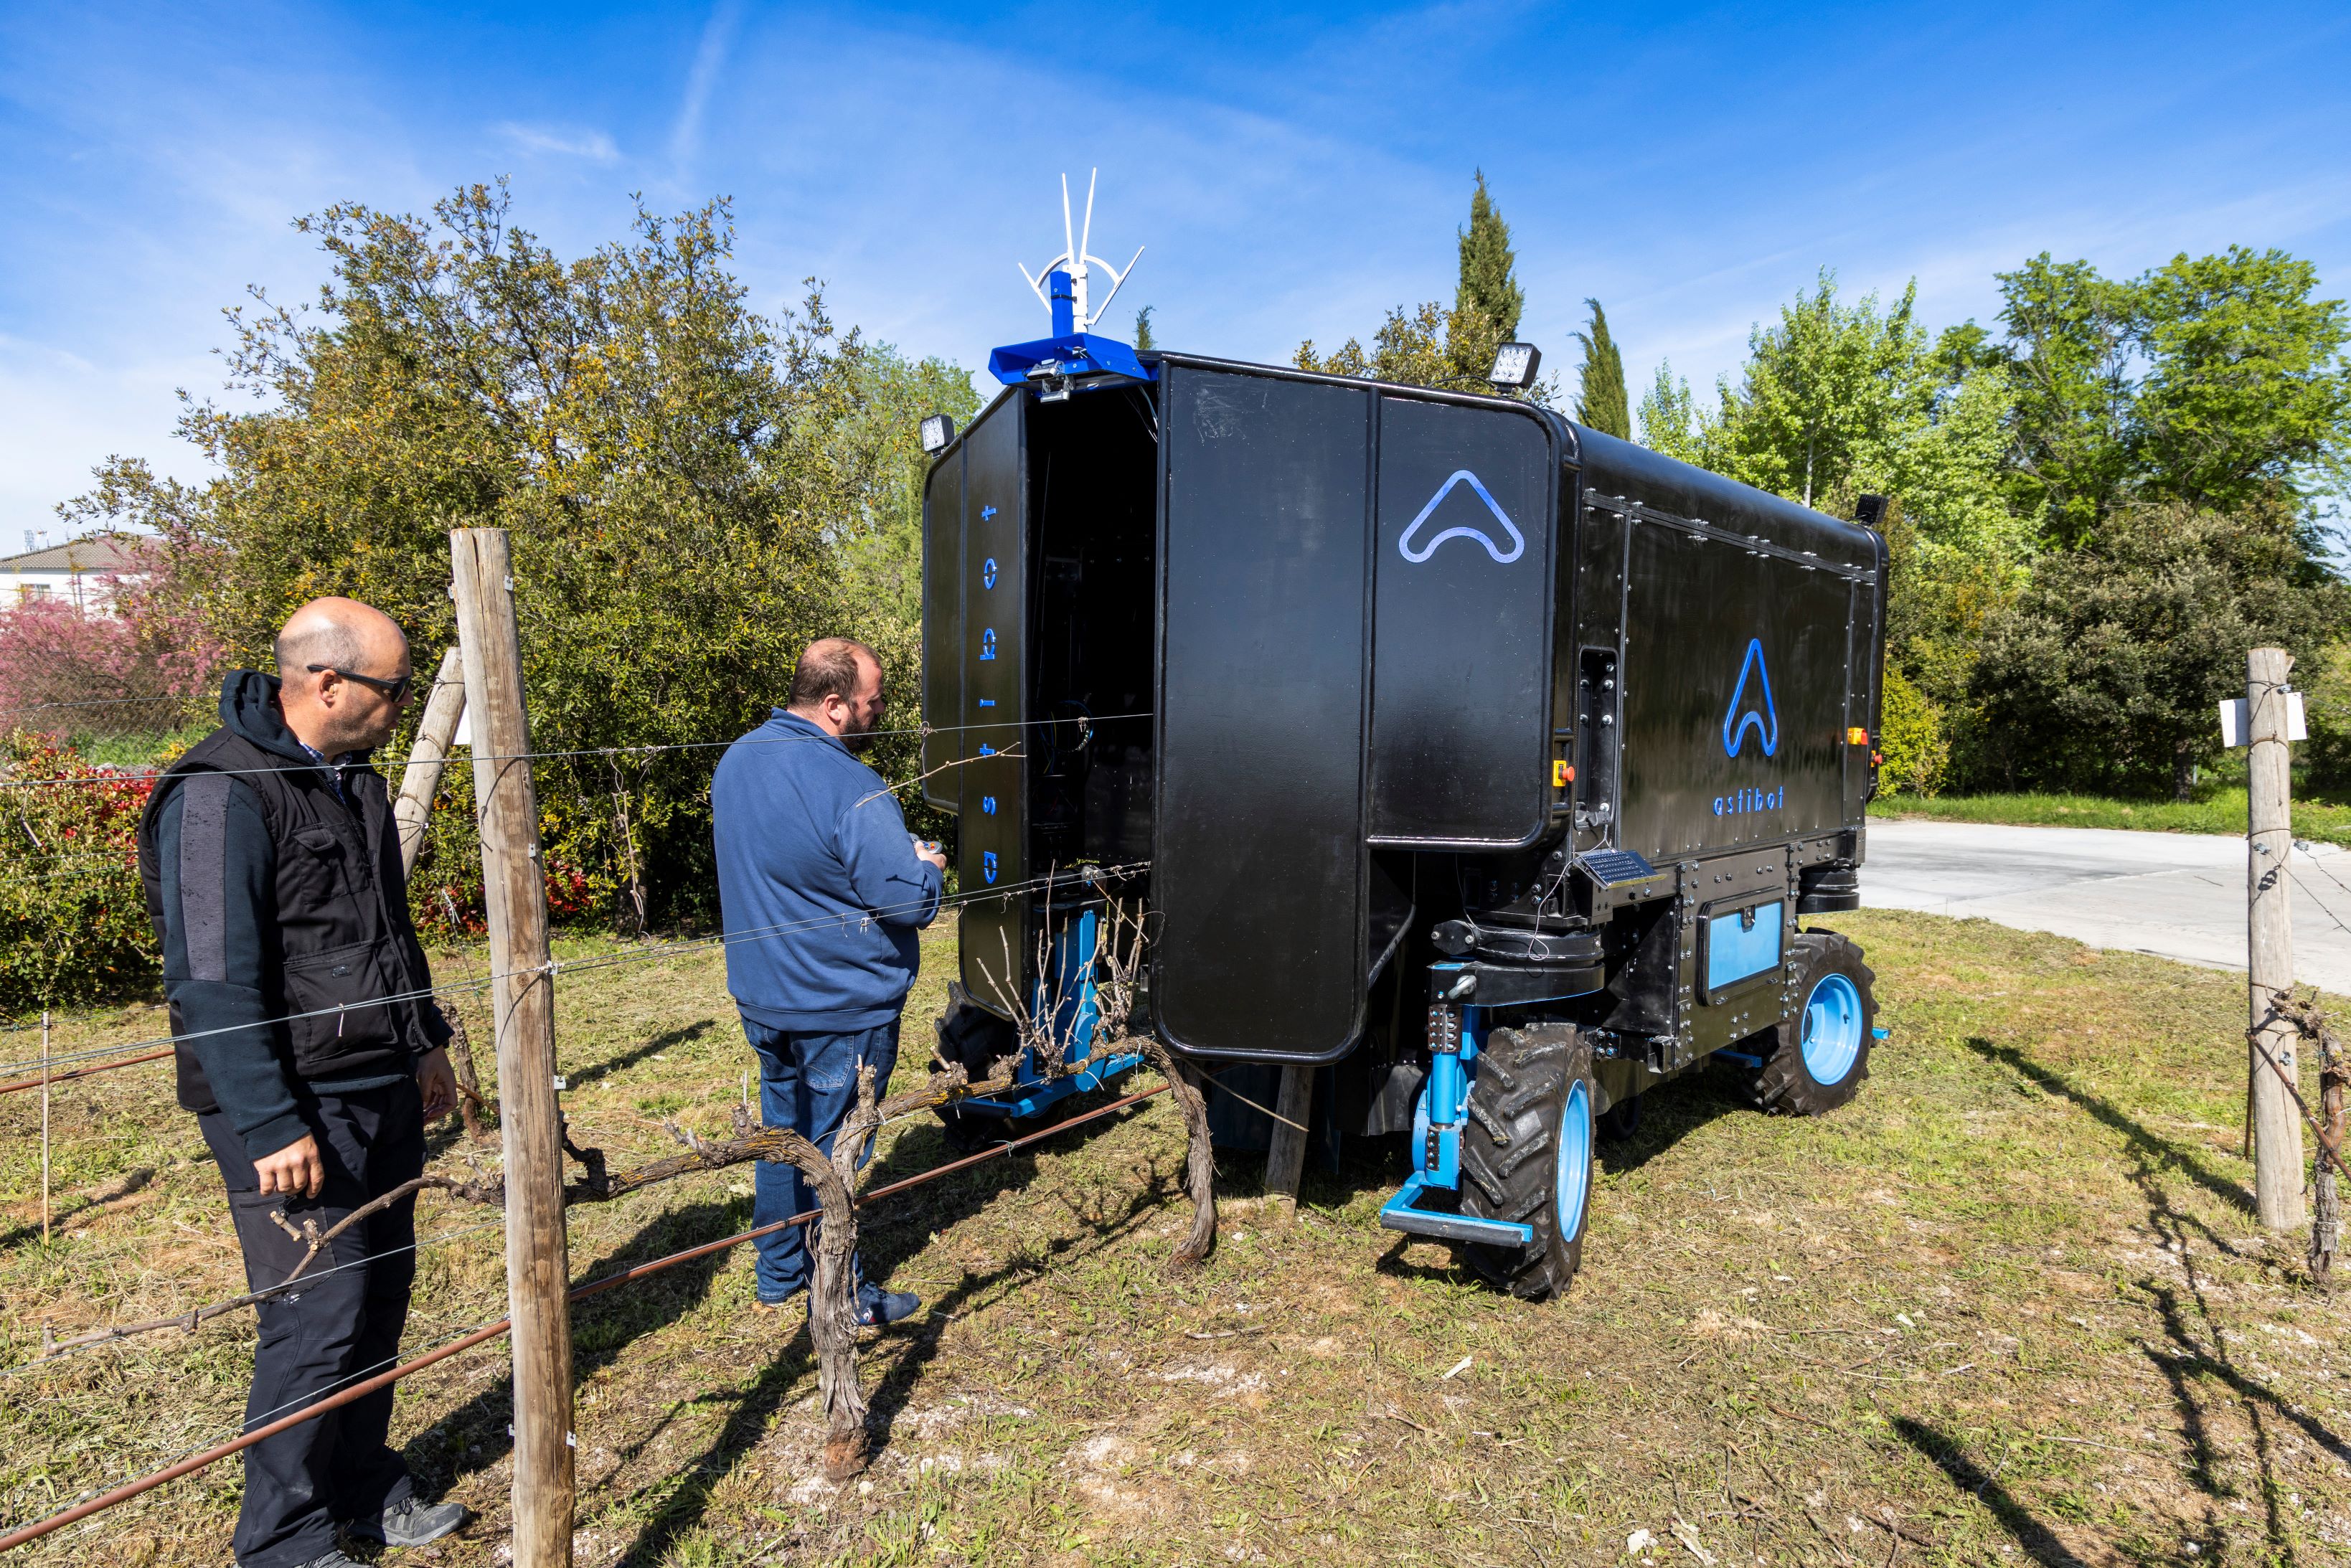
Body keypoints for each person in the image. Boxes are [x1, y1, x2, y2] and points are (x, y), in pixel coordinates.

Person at [137, 598, 465, 1568]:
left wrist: (425, 1039)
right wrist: (271, 1118)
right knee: (314, 1314)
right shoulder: (216, 796)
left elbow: (384, 930)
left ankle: (361, 1481)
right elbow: (211, 976)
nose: (401, 706)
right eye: (392, 688)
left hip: (380, 1082)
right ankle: (281, 1539)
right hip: (290, 1107)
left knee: (378, 1294)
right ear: (326, 683)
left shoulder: (353, 780)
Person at [712, 636, 947, 1326]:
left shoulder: (737, 759)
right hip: (840, 1001)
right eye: (875, 701)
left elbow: (794, 861)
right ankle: (837, 1292)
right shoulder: (851, 784)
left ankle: (779, 1271)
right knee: (838, 1150)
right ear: (837, 703)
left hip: (765, 993)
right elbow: (906, 900)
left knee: (785, 1135)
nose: (882, 712)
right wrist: (926, 864)